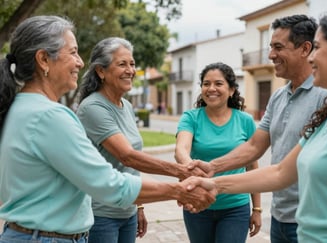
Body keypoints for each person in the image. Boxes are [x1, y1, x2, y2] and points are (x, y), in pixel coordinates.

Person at [0, 15, 215, 243]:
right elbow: (108, 183)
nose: (81, 62)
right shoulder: (49, 115)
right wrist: (179, 189)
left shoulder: (19, 107)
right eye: (73, 52)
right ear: (43, 59)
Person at [187, 8, 327, 242]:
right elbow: (279, 172)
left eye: (317, 47)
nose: (312, 57)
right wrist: (213, 181)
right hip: (284, 220)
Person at [76, 37, 210, 243]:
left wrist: (139, 205)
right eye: (122, 64)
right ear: (101, 71)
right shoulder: (93, 107)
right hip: (101, 214)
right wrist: (181, 171)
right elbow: (127, 156)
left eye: (132, 64)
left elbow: (130, 165)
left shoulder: (126, 106)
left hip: (127, 211)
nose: (130, 70)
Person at [174, 62, 261, 243]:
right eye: (206, 84)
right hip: (197, 204)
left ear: (231, 90)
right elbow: (181, 150)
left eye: (218, 84)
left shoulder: (245, 120)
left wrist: (257, 209)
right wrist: (190, 168)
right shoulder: (191, 117)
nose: (211, 88)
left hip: (235, 206)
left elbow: (252, 166)